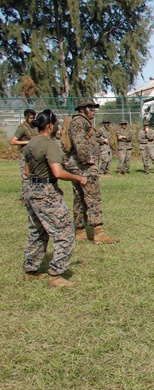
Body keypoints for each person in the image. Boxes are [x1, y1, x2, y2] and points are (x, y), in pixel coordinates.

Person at [21, 109, 89, 288]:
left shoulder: (30, 143)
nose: (58, 127)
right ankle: (56, 274)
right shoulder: (50, 144)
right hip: (46, 192)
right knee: (65, 233)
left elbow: (27, 172)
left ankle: (31, 270)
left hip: (31, 189)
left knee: (37, 231)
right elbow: (57, 172)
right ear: (50, 125)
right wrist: (79, 178)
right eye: (57, 124)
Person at [64, 98, 118, 244]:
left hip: (78, 167)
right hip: (84, 167)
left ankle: (80, 231)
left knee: (80, 198)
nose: (93, 110)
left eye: (94, 108)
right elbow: (79, 142)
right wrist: (86, 159)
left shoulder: (82, 122)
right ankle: (98, 232)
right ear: (82, 109)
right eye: (90, 107)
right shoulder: (79, 122)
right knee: (93, 197)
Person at [11, 108, 37, 201]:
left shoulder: (35, 127)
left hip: (34, 154)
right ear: (26, 117)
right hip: (25, 155)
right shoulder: (22, 128)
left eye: (34, 117)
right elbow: (13, 141)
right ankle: (24, 197)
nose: (32, 119)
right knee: (26, 176)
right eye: (30, 118)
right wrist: (27, 142)